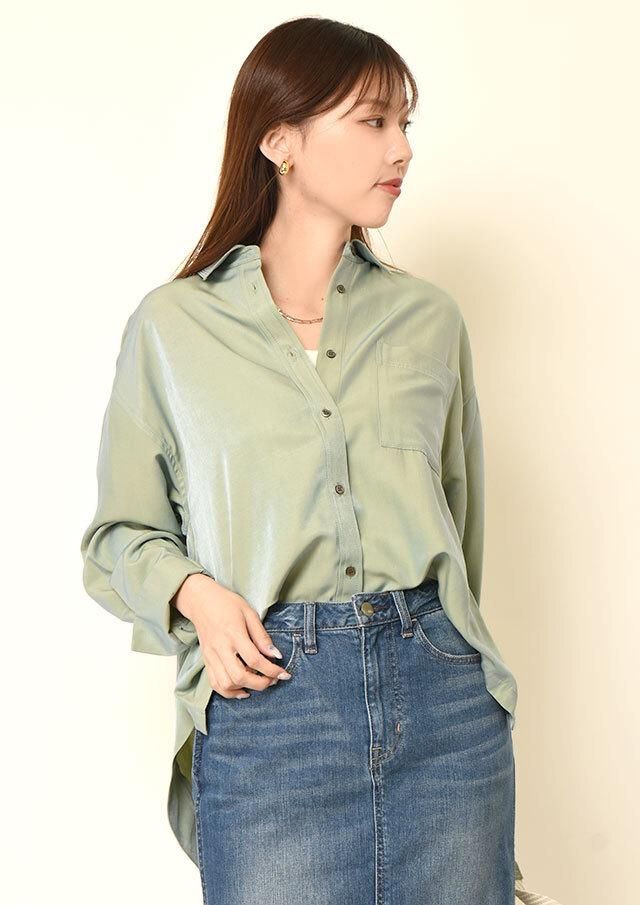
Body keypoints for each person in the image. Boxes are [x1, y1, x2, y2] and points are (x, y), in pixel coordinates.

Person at [80, 15, 524, 904]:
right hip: (270, 704)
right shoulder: (173, 327)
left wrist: (457, 655)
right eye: (373, 121)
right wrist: (195, 594)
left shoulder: (430, 322)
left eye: (405, 123)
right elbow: (117, 536)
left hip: (443, 702)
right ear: (279, 140)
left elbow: (462, 523)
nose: (401, 148)